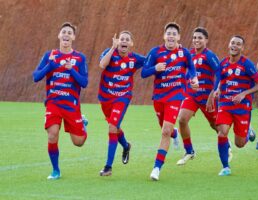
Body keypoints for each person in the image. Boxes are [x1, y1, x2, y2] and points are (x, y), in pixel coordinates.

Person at [141, 22, 198, 181]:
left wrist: (194, 79)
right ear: (164, 36)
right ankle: (175, 133)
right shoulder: (155, 52)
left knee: (165, 131)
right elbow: (144, 73)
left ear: (179, 37)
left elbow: (191, 69)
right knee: (166, 129)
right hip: (159, 98)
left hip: (176, 96)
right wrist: (155, 68)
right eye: (169, 33)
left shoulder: (185, 53)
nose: (171, 36)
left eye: (174, 33)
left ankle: (156, 168)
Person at [32, 22, 88, 180]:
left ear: (73, 37)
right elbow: (36, 77)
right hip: (53, 103)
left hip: (71, 105)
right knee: (52, 135)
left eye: (70, 33)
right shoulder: (49, 56)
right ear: (59, 35)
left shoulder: (79, 58)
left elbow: (84, 83)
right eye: (64, 32)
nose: (66, 35)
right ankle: (56, 170)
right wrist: (49, 66)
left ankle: (82, 123)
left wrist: (72, 70)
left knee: (79, 142)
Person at [211, 35, 258, 176]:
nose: (235, 46)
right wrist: (217, 90)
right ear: (229, 45)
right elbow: (221, 81)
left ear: (242, 48)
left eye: (238, 44)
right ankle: (225, 167)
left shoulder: (247, 64)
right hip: (226, 104)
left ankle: (248, 132)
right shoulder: (222, 64)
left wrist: (244, 94)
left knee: (239, 144)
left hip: (242, 108)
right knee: (222, 132)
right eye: (233, 43)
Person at [98, 31, 145, 176]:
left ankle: (108, 167)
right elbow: (102, 65)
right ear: (118, 42)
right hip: (105, 98)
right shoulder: (109, 52)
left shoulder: (135, 58)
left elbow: (152, 59)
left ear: (131, 44)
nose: (124, 41)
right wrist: (112, 48)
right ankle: (126, 145)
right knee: (115, 127)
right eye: (121, 39)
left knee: (112, 127)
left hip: (122, 98)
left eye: (127, 40)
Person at [176, 27, 225, 165]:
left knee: (216, 126)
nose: (196, 40)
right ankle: (189, 151)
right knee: (182, 119)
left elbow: (220, 73)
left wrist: (213, 92)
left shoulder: (209, 55)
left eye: (199, 38)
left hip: (208, 98)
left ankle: (225, 145)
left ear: (206, 40)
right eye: (194, 38)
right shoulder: (189, 54)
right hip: (192, 96)